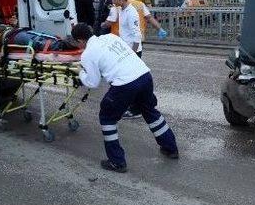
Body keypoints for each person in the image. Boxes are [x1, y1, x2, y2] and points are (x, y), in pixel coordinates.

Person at [71, 23, 178, 173]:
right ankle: (171, 148)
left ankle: (116, 162)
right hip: (144, 75)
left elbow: (92, 82)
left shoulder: (87, 54)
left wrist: (80, 72)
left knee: (107, 117)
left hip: (125, 84)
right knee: (149, 111)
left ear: (80, 41)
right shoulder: (110, 37)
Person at [103, 0, 167, 119]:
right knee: (130, 80)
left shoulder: (131, 12)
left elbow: (136, 35)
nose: (113, 2)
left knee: (132, 82)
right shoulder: (122, 9)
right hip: (126, 50)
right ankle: (143, 104)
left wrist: (132, 55)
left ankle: (138, 108)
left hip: (132, 52)